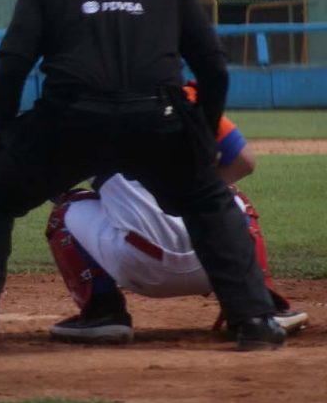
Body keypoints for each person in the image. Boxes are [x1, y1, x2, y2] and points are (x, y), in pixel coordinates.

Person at [0, 0, 285, 357]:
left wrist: (1, 141)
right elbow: (214, 68)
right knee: (208, 198)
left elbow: (11, 68)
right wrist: (201, 136)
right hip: (158, 118)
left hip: (70, 119)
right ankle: (254, 319)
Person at [43, 86, 308, 343]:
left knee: (66, 209)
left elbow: (51, 184)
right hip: (218, 260)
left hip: (138, 268)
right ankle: (259, 305)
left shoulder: (83, 110)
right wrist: (198, 193)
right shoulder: (184, 97)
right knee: (231, 199)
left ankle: (103, 312)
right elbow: (245, 162)